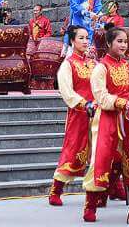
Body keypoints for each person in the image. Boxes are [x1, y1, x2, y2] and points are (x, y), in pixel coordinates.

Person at [82, 26, 129, 223]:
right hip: (107, 118)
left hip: (128, 117)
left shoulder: (127, 65)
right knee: (101, 159)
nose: (123, 45)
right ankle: (90, 205)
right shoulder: (101, 67)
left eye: (125, 41)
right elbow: (100, 96)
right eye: (119, 41)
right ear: (108, 44)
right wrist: (121, 102)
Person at [49, 25, 97, 206]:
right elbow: (67, 92)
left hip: (99, 113)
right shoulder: (68, 65)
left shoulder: (94, 63)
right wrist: (84, 104)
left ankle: (113, 186)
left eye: (87, 38)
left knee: (102, 151)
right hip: (79, 114)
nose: (85, 41)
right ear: (72, 41)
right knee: (73, 150)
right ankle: (56, 189)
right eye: (81, 38)